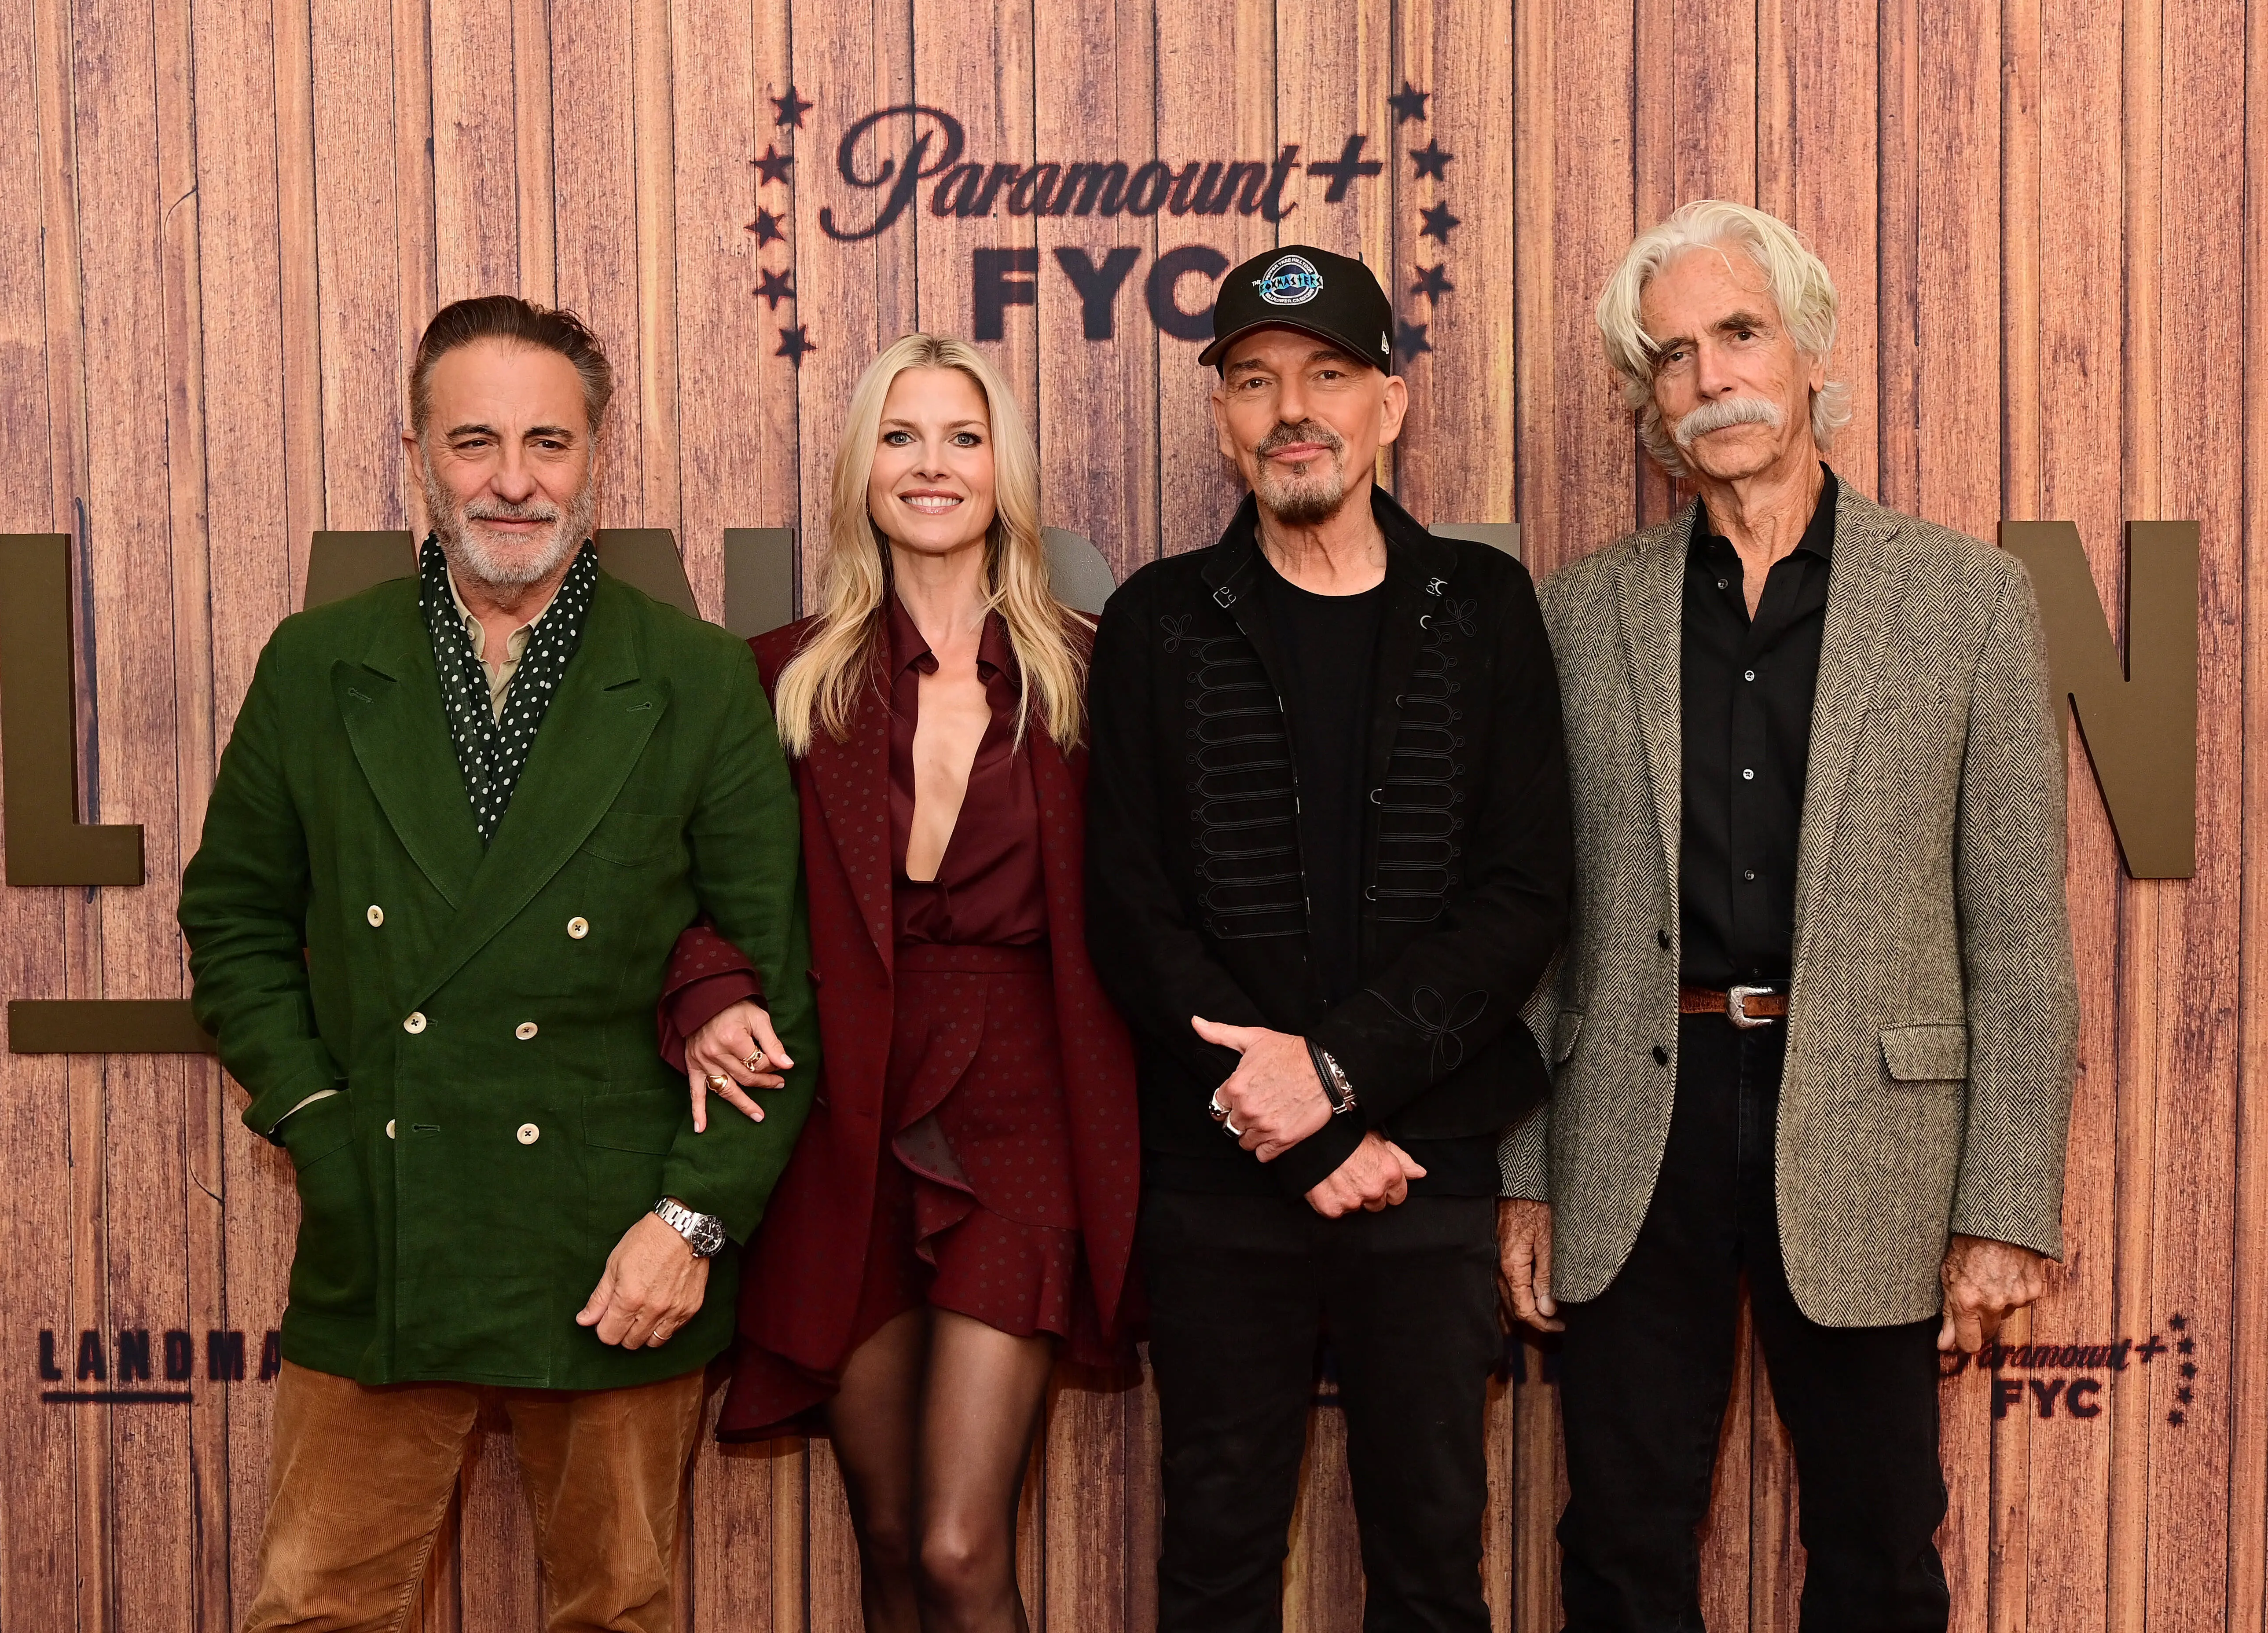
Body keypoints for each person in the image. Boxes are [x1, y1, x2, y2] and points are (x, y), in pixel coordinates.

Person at [178, 295, 818, 1633]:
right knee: (316, 1610)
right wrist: (319, 1127)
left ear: (597, 458)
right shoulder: (317, 664)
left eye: (548, 440)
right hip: (387, 1224)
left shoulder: (695, 678)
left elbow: (774, 978)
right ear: (415, 449)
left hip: (616, 1238)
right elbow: (233, 917)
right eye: (475, 441)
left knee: (616, 1613)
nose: (513, 480)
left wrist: (693, 1222)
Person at [1498, 200, 2078, 1631]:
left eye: (1737, 333)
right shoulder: (1576, 620)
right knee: (1622, 1550)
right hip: (1639, 1122)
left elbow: (2014, 932)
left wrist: (2001, 1207)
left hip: (1875, 1126)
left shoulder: (1968, 604)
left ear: (1811, 349)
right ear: (1646, 401)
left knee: (1879, 1549)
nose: (1709, 378)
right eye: (1671, 355)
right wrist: (1524, 1167)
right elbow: (1539, 933)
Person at [1085, 245, 1574, 1631]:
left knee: (1430, 1554)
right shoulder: (1157, 622)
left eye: (1324, 376)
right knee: (1216, 1552)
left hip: (1424, 1165)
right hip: (1216, 1169)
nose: (1288, 409)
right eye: (1252, 381)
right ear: (1221, 417)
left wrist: (1340, 1081)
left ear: (1389, 405)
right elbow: (1133, 915)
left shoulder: (1480, 607)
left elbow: (1522, 893)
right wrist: (1293, 1128)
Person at [661, 334, 1139, 1633]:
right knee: (883, 1537)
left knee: (954, 1545)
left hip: (1028, 1110)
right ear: (860, 470)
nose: (931, 465)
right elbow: (687, 896)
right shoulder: (777, 676)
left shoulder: (1093, 674)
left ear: (1006, 473)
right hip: (840, 1110)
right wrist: (708, 993)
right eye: (901, 436)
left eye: (962, 438)